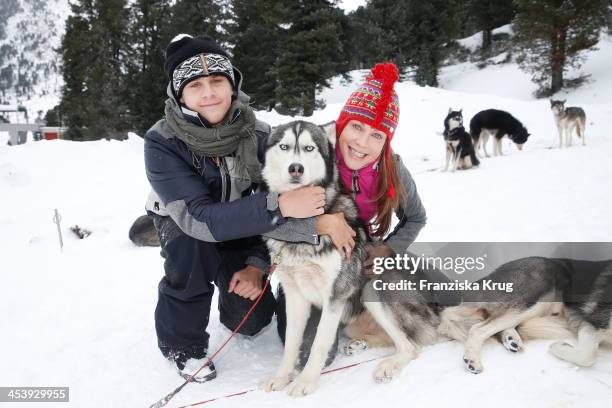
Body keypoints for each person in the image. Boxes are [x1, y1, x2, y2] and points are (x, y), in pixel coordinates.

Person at [144, 34, 326, 382]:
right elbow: (198, 218)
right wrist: (280, 205)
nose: (209, 92)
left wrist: (258, 265)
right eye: (195, 85)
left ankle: (237, 293)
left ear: (233, 85)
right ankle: (184, 345)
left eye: (217, 81)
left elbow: (276, 204)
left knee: (251, 319)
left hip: (243, 224)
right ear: (179, 94)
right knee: (192, 248)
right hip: (186, 224)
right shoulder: (162, 141)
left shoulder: (259, 135)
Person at [276, 62, 427, 365]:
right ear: (343, 123)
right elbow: (270, 214)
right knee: (307, 356)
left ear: (386, 141)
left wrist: (388, 248)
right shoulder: (310, 150)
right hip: (308, 266)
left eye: (376, 135)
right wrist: (321, 223)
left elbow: (416, 218)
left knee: (433, 292)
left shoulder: (391, 168)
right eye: (356, 127)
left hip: (359, 260)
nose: (361, 143)